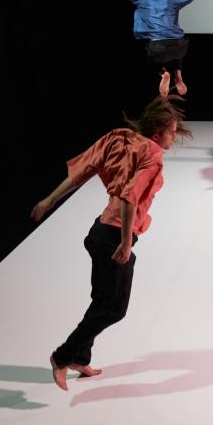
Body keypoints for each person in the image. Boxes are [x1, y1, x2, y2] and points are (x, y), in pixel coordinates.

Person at [31, 96, 192, 390]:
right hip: (113, 238)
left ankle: (80, 358)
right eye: (172, 130)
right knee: (114, 309)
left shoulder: (122, 137)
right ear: (157, 134)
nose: (175, 134)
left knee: (102, 301)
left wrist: (49, 199)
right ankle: (62, 356)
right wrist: (126, 243)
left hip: (100, 233)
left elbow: (84, 169)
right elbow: (130, 198)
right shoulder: (153, 154)